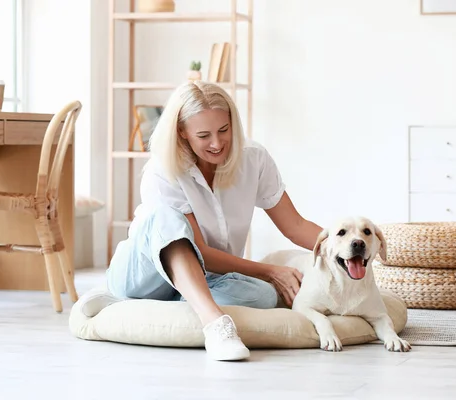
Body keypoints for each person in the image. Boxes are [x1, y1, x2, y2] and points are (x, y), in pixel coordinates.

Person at [106, 81, 323, 361]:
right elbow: (201, 253)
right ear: (182, 132)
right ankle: (215, 323)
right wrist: (270, 270)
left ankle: (190, 298)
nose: (217, 143)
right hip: (142, 276)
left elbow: (295, 226)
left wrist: (348, 246)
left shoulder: (254, 159)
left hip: (208, 278)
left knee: (264, 297)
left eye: (223, 130)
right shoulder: (162, 170)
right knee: (166, 216)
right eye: (204, 135)